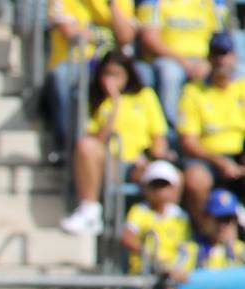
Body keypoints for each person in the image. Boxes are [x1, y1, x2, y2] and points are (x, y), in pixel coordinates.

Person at [60, 48, 170, 235]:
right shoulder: (98, 102)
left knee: (166, 176)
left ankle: (169, 227)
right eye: (106, 74)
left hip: (139, 163)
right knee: (86, 146)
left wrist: (150, 159)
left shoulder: (145, 96)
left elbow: (159, 137)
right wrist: (115, 103)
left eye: (116, 74)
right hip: (111, 163)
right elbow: (98, 141)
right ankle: (90, 210)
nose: (109, 80)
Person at [42, 0, 136, 159]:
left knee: (141, 76)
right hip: (75, 62)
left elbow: (126, 36)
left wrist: (111, 5)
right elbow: (71, 34)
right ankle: (67, 145)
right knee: (62, 75)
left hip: (110, 62)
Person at [178, 32, 245, 222]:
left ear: (234, 57)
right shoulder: (193, 92)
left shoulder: (242, 88)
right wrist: (220, 162)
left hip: (238, 154)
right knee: (195, 179)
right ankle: (207, 233)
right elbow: (188, 142)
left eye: (225, 54)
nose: (221, 60)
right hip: (207, 158)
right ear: (208, 58)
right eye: (216, 54)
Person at [166, 187, 245, 289]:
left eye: (228, 219)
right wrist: (173, 274)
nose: (223, 226)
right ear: (206, 219)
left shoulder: (241, 252)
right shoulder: (190, 251)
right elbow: (169, 269)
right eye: (218, 219)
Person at [135, 0, 225, 131]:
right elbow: (150, 40)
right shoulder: (154, 2)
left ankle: (220, 130)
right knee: (170, 74)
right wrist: (183, 62)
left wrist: (208, 61)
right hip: (167, 59)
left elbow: (221, 38)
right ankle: (173, 129)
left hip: (205, 59)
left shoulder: (212, 3)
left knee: (234, 71)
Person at [121, 158, 191, 274]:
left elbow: (186, 247)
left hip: (173, 271)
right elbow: (127, 237)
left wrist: (174, 267)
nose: (159, 190)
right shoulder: (139, 211)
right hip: (145, 270)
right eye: (155, 185)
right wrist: (148, 254)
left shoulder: (180, 216)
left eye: (164, 185)